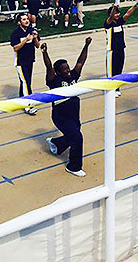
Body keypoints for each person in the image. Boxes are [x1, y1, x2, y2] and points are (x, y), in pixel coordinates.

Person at [42, 37, 92, 177]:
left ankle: (56, 144)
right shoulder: (54, 81)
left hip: (74, 115)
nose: (67, 70)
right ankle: (74, 166)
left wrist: (86, 45)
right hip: (61, 117)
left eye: (67, 67)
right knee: (77, 137)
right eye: (63, 69)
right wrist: (45, 53)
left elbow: (81, 61)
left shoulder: (73, 76)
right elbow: (48, 66)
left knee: (74, 134)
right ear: (57, 72)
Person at [104, 0, 138, 97]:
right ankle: (110, 88)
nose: (117, 15)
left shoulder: (120, 22)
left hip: (121, 49)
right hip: (112, 51)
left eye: (118, 13)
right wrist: (113, 8)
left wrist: (136, 5)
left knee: (119, 70)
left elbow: (128, 13)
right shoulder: (108, 24)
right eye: (115, 13)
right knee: (112, 70)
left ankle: (117, 87)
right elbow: (111, 17)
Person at [11, 13, 40, 115]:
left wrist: (35, 38)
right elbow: (15, 48)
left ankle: (21, 100)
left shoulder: (31, 30)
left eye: (27, 19)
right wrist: (26, 40)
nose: (27, 21)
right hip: (20, 62)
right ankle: (28, 106)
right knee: (26, 83)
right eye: (24, 19)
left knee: (27, 82)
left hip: (30, 60)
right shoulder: (15, 33)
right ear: (19, 22)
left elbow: (37, 46)